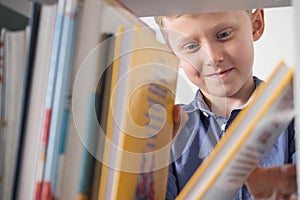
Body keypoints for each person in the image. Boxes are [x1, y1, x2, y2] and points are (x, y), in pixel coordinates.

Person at [154, 9, 297, 199]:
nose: (212, 57)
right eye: (191, 46)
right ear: (173, 55)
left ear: (256, 25)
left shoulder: (293, 118)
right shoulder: (168, 132)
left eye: (223, 35)